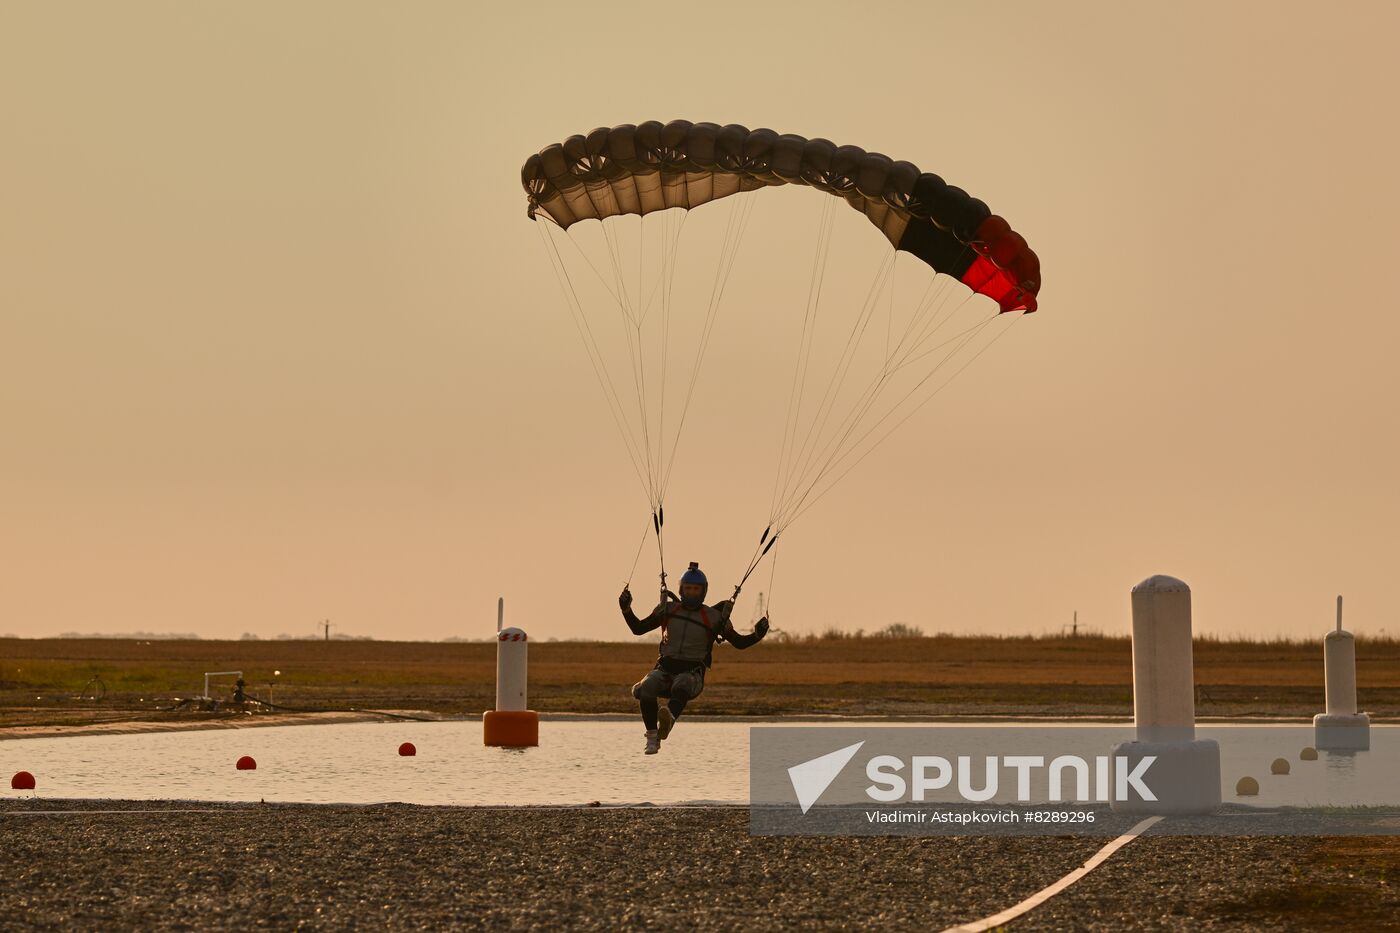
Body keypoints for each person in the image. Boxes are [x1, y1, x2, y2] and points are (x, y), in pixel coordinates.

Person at [619, 560, 769, 754]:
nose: (691, 593)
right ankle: (652, 738)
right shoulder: (668, 609)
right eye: (688, 589)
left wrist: (757, 635)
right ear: (681, 590)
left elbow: (739, 643)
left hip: (692, 675)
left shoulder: (714, 617)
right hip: (664, 670)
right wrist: (626, 609)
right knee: (647, 686)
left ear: (703, 591)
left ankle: (669, 719)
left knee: (681, 684)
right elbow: (638, 629)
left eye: (695, 589)